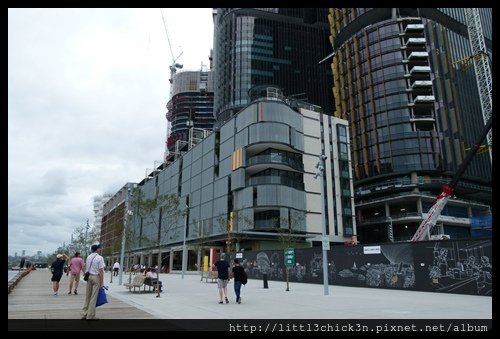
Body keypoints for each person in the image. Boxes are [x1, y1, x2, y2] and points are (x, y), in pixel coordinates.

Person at [81, 244, 105, 321]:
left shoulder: (88, 257)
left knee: (87, 296)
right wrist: (102, 282)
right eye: (99, 248)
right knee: (93, 297)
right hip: (95, 277)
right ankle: (90, 316)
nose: (100, 249)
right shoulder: (99, 257)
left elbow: (85, 267)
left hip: (89, 277)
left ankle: (84, 314)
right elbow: (101, 271)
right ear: (97, 249)